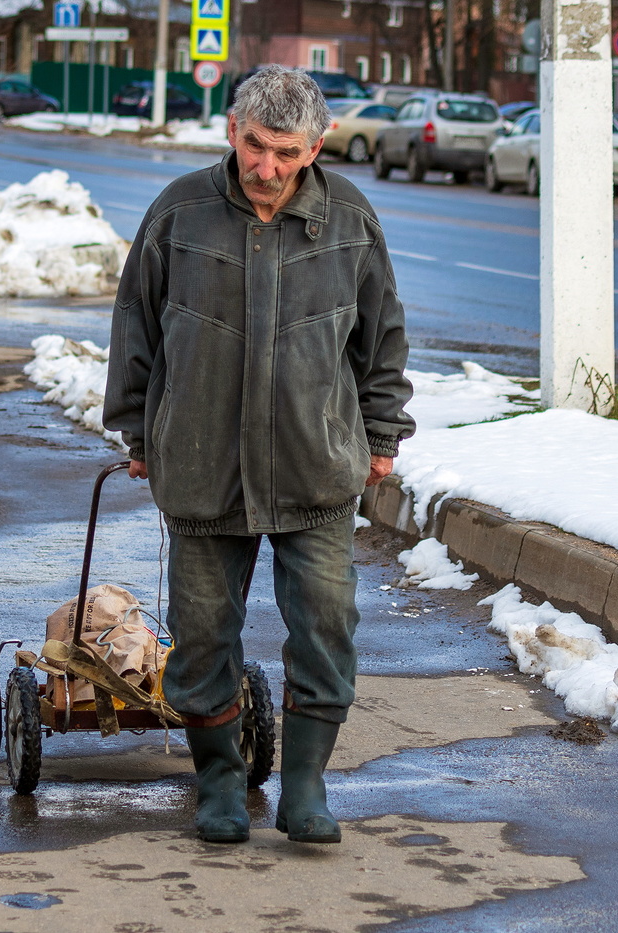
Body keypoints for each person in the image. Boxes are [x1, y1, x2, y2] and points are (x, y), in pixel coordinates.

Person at [103, 65, 416, 845]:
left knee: (327, 624)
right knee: (203, 631)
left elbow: (381, 338)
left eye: (285, 151)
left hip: (316, 465)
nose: (266, 167)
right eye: (253, 145)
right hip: (203, 464)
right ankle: (219, 781)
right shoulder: (179, 212)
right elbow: (135, 327)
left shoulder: (349, 217)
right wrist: (137, 431)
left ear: (316, 146)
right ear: (230, 130)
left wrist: (382, 436)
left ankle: (305, 783)